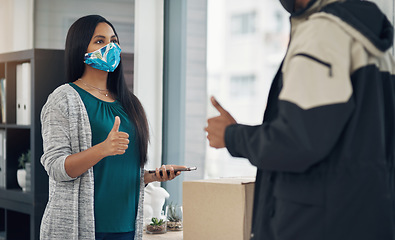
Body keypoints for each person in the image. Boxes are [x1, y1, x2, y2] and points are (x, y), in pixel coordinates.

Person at [205, 0, 395, 239]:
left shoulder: (322, 34)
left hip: (315, 225)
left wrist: (231, 135)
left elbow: (296, 142)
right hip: (363, 218)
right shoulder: (373, 43)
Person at [40, 15, 185, 240]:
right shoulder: (63, 99)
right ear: (81, 48)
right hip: (83, 229)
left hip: (127, 226)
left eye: (114, 40)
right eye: (100, 41)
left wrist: (151, 176)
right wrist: (103, 149)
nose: (110, 47)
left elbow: (117, 169)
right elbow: (56, 167)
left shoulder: (129, 103)